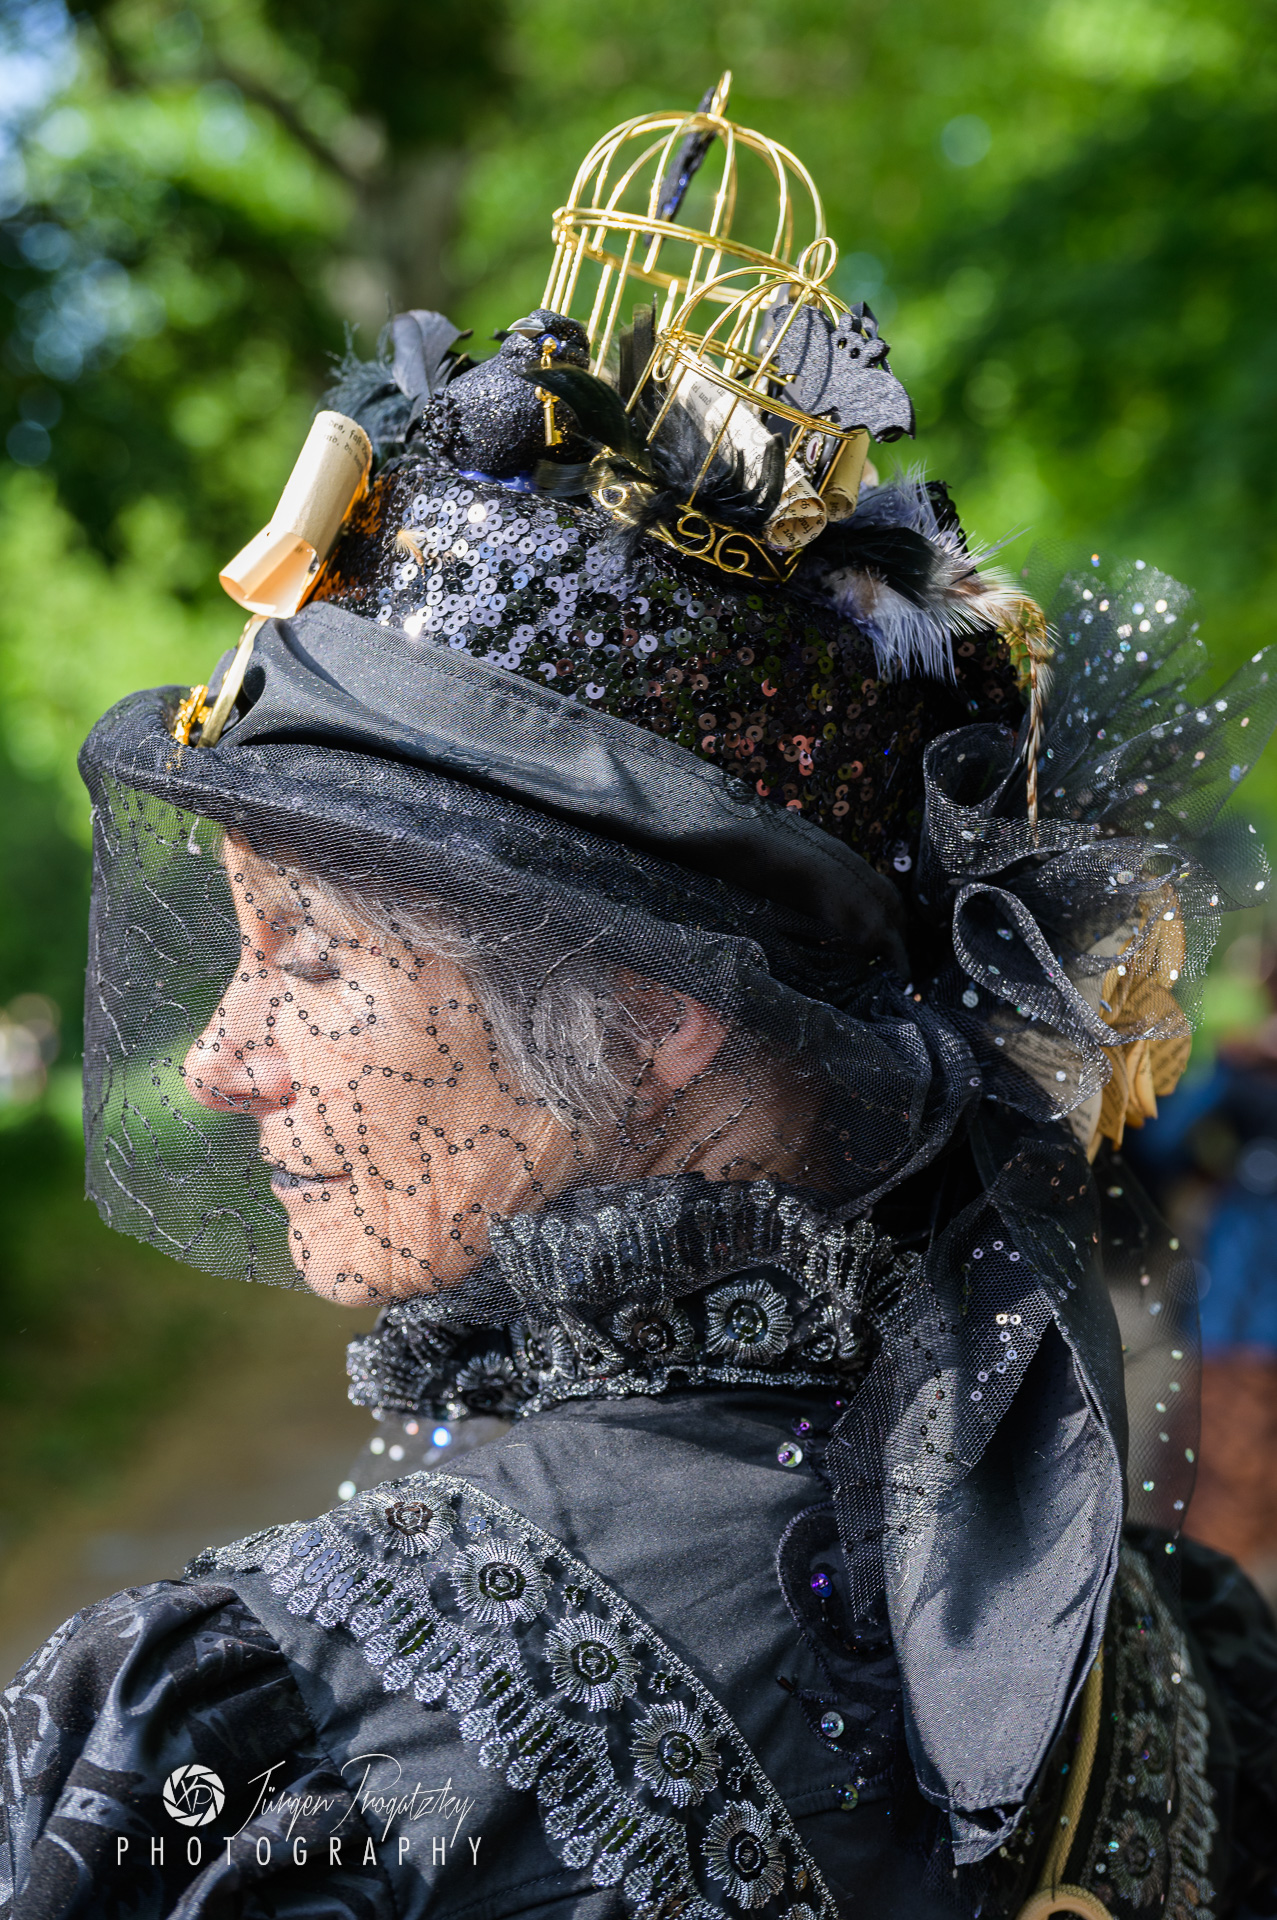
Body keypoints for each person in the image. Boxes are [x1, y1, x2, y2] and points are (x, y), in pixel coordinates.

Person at [4, 78, 1277, 1920]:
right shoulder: (1160, 1651)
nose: (217, 1063)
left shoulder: (290, 1737)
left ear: (653, 1005)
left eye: (313, 957)